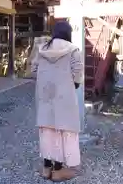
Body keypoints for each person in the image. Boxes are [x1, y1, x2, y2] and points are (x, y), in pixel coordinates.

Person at [31, 20, 83, 182]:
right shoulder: (73, 50)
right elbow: (78, 73)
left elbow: (33, 70)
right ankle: (59, 170)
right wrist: (71, 85)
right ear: (68, 33)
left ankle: (47, 168)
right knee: (64, 130)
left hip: (46, 96)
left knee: (47, 130)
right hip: (64, 97)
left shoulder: (42, 49)